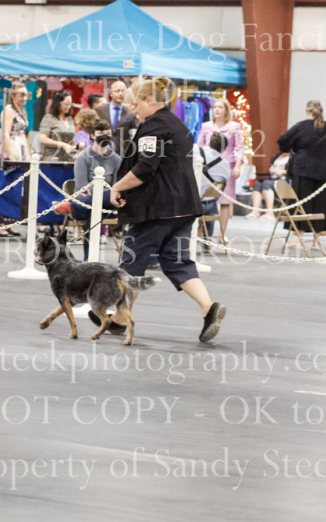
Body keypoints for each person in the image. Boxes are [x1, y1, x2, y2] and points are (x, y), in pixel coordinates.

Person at [104, 76, 226, 343]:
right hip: (184, 207)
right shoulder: (177, 124)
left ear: (149, 100)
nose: (134, 109)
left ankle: (121, 319)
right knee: (177, 262)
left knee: (132, 264)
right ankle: (209, 308)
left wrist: (117, 187)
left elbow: (146, 168)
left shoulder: (154, 127)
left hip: (157, 209)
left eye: (136, 104)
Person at [276, 100, 326, 245]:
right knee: (322, 204)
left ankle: (299, 239)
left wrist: (296, 148)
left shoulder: (302, 126)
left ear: (308, 111)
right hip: (325, 171)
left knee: (301, 203)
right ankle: (316, 241)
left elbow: (283, 142)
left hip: (304, 169)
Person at [56, 120, 121, 260]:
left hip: (108, 204)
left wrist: (105, 194)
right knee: (93, 215)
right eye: (101, 133)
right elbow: (82, 189)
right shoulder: (83, 157)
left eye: (108, 133)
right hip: (85, 203)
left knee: (107, 199)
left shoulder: (116, 159)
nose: (105, 136)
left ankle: (70, 207)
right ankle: (89, 259)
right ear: (92, 136)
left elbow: (116, 188)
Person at [197, 99, 245, 242]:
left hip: (227, 168)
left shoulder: (234, 126)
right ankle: (201, 232)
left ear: (226, 110)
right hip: (207, 167)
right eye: (215, 107)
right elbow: (199, 145)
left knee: (225, 201)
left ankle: (222, 234)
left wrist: (237, 166)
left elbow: (240, 147)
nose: (217, 109)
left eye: (220, 107)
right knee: (205, 198)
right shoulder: (206, 126)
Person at [0, 83, 31, 236]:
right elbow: (6, 134)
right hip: (10, 149)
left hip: (21, 147)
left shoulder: (21, 111)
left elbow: (24, 135)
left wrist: (28, 154)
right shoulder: (8, 110)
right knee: (4, 186)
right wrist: (12, 155)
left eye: (26, 95)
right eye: (21, 94)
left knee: (15, 188)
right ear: (13, 95)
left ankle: (8, 221)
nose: (24, 98)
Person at [195, 133, 231, 241]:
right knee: (212, 203)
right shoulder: (225, 164)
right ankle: (207, 240)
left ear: (209, 141)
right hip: (209, 205)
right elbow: (224, 179)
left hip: (192, 203)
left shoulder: (195, 150)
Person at [95, 81, 140, 157]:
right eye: (117, 91)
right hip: (101, 151)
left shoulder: (131, 114)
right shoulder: (100, 110)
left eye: (123, 91)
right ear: (111, 93)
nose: (120, 94)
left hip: (123, 153)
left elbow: (134, 136)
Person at [38, 91, 76, 162]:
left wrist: (74, 148)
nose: (68, 106)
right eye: (66, 104)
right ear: (58, 103)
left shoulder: (70, 119)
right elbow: (42, 139)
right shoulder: (49, 118)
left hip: (67, 160)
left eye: (70, 104)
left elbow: (71, 141)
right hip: (51, 159)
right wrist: (62, 144)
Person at [246, 155, 286, 220]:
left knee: (266, 184)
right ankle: (255, 211)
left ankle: (270, 212)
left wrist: (282, 171)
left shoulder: (291, 157)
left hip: (283, 180)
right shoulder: (278, 156)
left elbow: (292, 171)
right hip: (272, 178)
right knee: (257, 183)